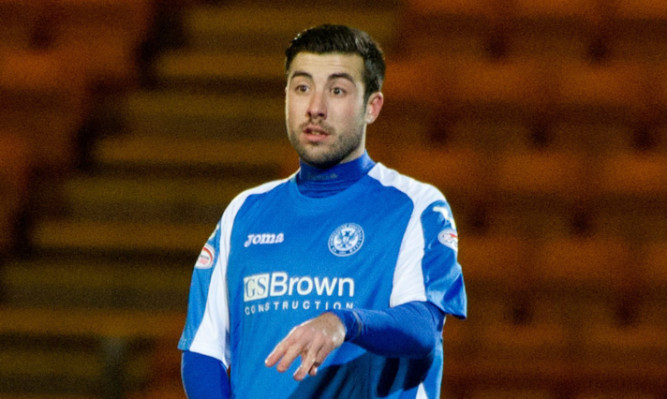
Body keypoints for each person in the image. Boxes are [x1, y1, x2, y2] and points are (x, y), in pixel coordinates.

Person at [178, 24, 467, 399]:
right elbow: (203, 350)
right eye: (302, 88)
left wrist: (344, 323)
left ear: (372, 106)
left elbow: (423, 329)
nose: (315, 107)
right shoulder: (243, 213)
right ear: (286, 97)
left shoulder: (416, 206)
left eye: (337, 90)